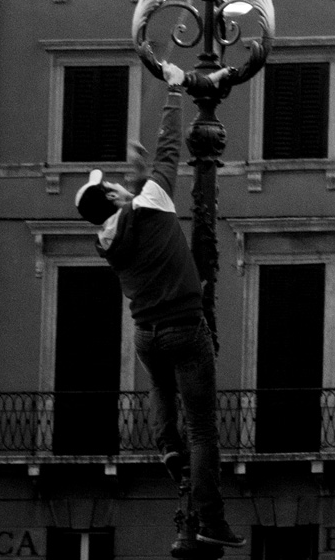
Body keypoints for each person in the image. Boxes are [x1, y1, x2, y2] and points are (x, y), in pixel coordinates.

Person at [74, 61, 244, 549]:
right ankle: (210, 520)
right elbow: (171, 155)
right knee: (205, 431)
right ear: (112, 194)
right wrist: (174, 91)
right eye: (114, 187)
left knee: (168, 406)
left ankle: (168, 449)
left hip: (147, 333)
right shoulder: (148, 204)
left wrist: (134, 175)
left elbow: (138, 204)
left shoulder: (107, 240)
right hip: (186, 329)